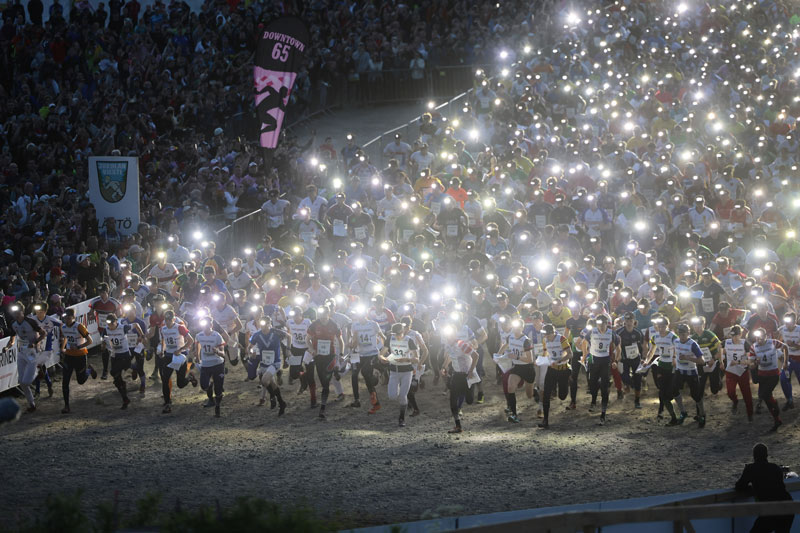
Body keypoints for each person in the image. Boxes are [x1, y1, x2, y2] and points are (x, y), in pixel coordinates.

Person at [735, 443, 794, 533]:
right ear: (766, 455)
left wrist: (752, 486)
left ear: (754, 456)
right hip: (788, 507)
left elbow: (739, 486)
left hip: (770, 510)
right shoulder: (775, 467)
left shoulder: (751, 468)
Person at [580, 315, 621, 425]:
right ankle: (593, 400)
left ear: (606, 323)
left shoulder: (611, 333)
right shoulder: (592, 332)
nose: (600, 326)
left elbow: (618, 348)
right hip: (594, 360)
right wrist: (584, 355)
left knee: (604, 386)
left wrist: (616, 361)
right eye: (598, 323)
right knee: (592, 384)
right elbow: (583, 342)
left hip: (605, 361)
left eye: (602, 323)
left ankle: (603, 412)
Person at [306, 305, 344, 419]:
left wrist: (341, 353)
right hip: (318, 356)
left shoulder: (333, 324)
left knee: (326, 384)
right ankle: (335, 371)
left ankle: (322, 407)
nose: (322, 317)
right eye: (320, 315)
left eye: (324, 315)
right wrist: (312, 350)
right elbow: (307, 339)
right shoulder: (314, 324)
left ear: (328, 314)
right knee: (323, 380)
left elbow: (340, 340)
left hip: (330, 356)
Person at [379, 322, 418, 427]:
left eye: (398, 334)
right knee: (392, 396)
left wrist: (406, 359)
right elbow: (381, 354)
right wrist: (383, 359)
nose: (396, 336)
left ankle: (402, 418)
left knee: (402, 396)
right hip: (394, 371)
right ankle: (402, 396)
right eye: (395, 334)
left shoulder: (409, 340)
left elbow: (416, 358)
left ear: (403, 332)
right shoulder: (390, 339)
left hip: (406, 371)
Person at [158, 310, 197, 413]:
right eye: (166, 320)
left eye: (169, 320)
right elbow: (163, 340)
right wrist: (162, 350)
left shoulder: (180, 327)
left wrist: (180, 350)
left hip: (180, 357)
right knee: (165, 379)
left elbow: (191, 340)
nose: (168, 322)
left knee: (180, 384)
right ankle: (167, 403)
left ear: (173, 319)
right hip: (168, 356)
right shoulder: (163, 329)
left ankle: (189, 378)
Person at [60, 308, 98, 413]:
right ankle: (66, 406)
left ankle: (89, 370)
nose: (66, 320)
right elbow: (66, 338)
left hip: (80, 356)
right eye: (65, 318)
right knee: (65, 381)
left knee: (80, 381)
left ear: (73, 318)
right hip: (68, 356)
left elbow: (90, 340)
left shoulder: (79, 327)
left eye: (68, 318)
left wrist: (79, 346)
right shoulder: (63, 327)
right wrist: (62, 348)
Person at [104, 313, 145, 410]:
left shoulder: (123, 327)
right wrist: (103, 344)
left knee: (113, 372)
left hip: (124, 355)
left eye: (111, 324)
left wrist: (142, 335)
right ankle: (125, 399)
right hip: (114, 355)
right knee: (117, 379)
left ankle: (134, 367)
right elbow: (103, 337)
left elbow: (136, 325)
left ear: (116, 322)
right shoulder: (106, 329)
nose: (110, 326)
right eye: (108, 324)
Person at [749, 328, 787, 433]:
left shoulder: (773, 342)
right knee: (766, 397)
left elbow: (785, 347)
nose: (759, 340)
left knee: (764, 395)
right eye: (757, 338)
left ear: (766, 336)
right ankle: (777, 419)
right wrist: (755, 363)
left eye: (761, 338)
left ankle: (775, 406)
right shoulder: (753, 347)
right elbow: (751, 365)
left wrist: (785, 362)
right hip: (762, 375)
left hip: (773, 374)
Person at [440, 331, 478, 434]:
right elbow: (449, 357)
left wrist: (470, 371)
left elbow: (476, 356)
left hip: (467, 375)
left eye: (450, 335)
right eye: (447, 335)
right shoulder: (448, 345)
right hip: (456, 375)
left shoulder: (462, 344)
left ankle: (467, 391)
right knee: (452, 400)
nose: (448, 337)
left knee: (470, 400)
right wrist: (444, 367)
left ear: (455, 335)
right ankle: (458, 426)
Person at [10, 304, 46, 413]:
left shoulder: (30, 322)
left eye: (18, 312)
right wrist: (8, 346)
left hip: (32, 352)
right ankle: (31, 404)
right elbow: (13, 337)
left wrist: (35, 342)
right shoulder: (14, 324)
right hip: (21, 353)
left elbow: (43, 333)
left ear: (23, 312)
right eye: (14, 313)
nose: (16, 315)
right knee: (21, 382)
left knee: (26, 381)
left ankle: (38, 369)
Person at [249, 316, 287, 416]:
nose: (263, 327)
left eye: (265, 324)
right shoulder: (257, 335)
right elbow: (250, 347)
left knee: (264, 380)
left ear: (269, 324)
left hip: (275, 362)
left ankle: (272, 397)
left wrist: (288, 349)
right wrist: (252, 352)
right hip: (264, 362)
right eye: (261, 324)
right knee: (272, 384)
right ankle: (281, 403)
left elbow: (289, 336)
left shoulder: (276, 332)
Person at [499, 318, 534, 424]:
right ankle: (514, 414)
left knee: (529, 395)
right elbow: (505, 345)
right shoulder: (511, 337)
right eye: (514, 327)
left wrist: (516, 357)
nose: (516, 329)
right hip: (517, 368)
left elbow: (530, 359)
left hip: (527, 368)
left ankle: (535, 391)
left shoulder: (526, 340)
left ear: (522, 328)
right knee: (510, 387)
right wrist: (498, 354)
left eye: (518, 327)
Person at [349, 309, 384, 412]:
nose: (360, 317)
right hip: (360, 354)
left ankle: (375, 402)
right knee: (354, 374)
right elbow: (354, 342)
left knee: (365, 372)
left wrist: (381, 350)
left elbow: (382, 337)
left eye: (361, 315)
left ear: (365, 315)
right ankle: (357, 400)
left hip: (372, 353)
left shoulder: (373, 324)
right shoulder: (354, 325)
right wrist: (352, 343)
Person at [539, 324, 571, 429]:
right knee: (546, 393)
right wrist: (541, 360)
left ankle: (567, 384)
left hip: (563, 370)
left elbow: (570, 354)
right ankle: (545, 419)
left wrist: (559, 360)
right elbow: (545, 352)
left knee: (562, 396)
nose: (546, 337)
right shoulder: (545, 340)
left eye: (548, 335)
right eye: (545, 335)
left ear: (553, 333)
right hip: (552, 369)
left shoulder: (561, 339)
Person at [195, 317, 227, 417]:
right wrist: (197, 355)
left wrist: (217, 351)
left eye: (207, 325)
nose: (205, 327)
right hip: (205, 364)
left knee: (218, 388)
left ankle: (217, 406)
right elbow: (197, 344)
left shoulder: (217, 336)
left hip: (217, 364)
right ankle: (210, 394)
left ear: (211, 325)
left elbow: (223, 353)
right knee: (204, 385)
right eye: (203, 325)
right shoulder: (199, 335)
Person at [722, 325, 754, 422]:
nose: (734, 338)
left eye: (736, 336)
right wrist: (721, 360)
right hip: (731, 371)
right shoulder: (726, 343)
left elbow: (750, 361)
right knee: (730, 392)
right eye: (732, 336)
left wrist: (738, 362)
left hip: (742, 371)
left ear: (740, 335)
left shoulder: (745, 344)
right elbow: (721, 350)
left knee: (746, 394)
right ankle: (735, 401)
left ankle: (750, 413)